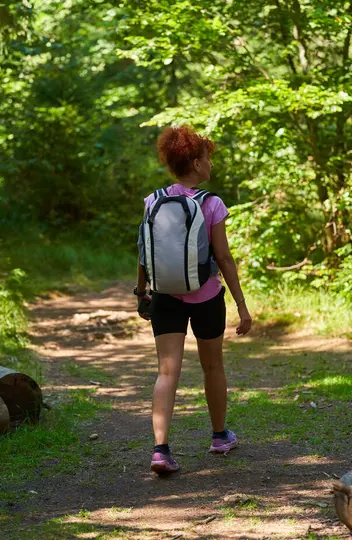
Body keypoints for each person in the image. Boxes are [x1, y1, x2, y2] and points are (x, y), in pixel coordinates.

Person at [134, 125, 252, 473]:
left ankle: (160, 450)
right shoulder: (211, 203)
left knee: (167, 372)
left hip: (165, 296)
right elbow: (224, 258)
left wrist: (142, 292)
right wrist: (242, 305)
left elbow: (143, 251)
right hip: (206, 296)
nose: (211, 165)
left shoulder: (153, 201)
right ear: (196, 163)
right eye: (208, 158)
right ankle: (219, 436)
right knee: (212, 365)